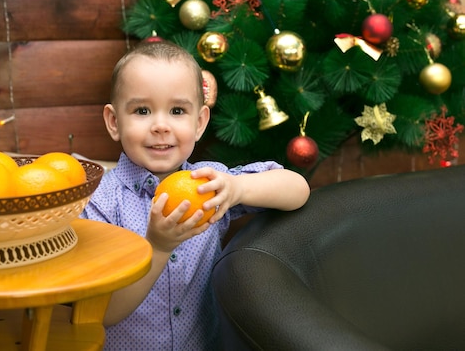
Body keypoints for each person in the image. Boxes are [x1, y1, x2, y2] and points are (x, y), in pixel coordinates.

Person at [80, 40, 310, 350]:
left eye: (177, 110)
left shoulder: (211, 183)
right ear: (114, 122)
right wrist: (158, 247)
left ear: (199, 122)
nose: (161, 126)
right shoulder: (100, 203)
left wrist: (237, 188)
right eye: (142, 110)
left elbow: (297, 188)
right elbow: (103, 313)